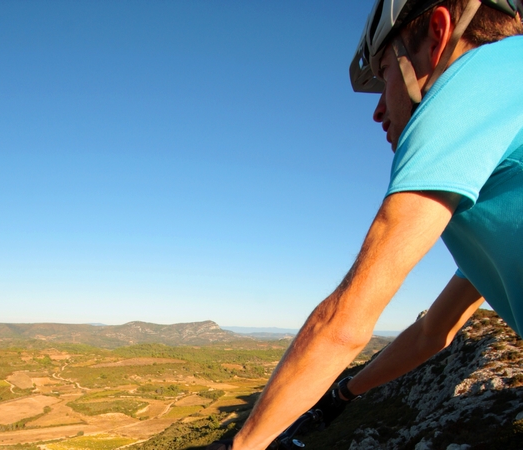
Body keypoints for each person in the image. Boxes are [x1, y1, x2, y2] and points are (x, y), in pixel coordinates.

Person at [207, 0, 523, 449]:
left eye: (385, 73)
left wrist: (243, 444)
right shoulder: (499, 170)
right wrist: (342, 394)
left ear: (438, 34)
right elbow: (433, 332)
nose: (377, 110)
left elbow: (345, 321)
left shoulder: (475, 80)